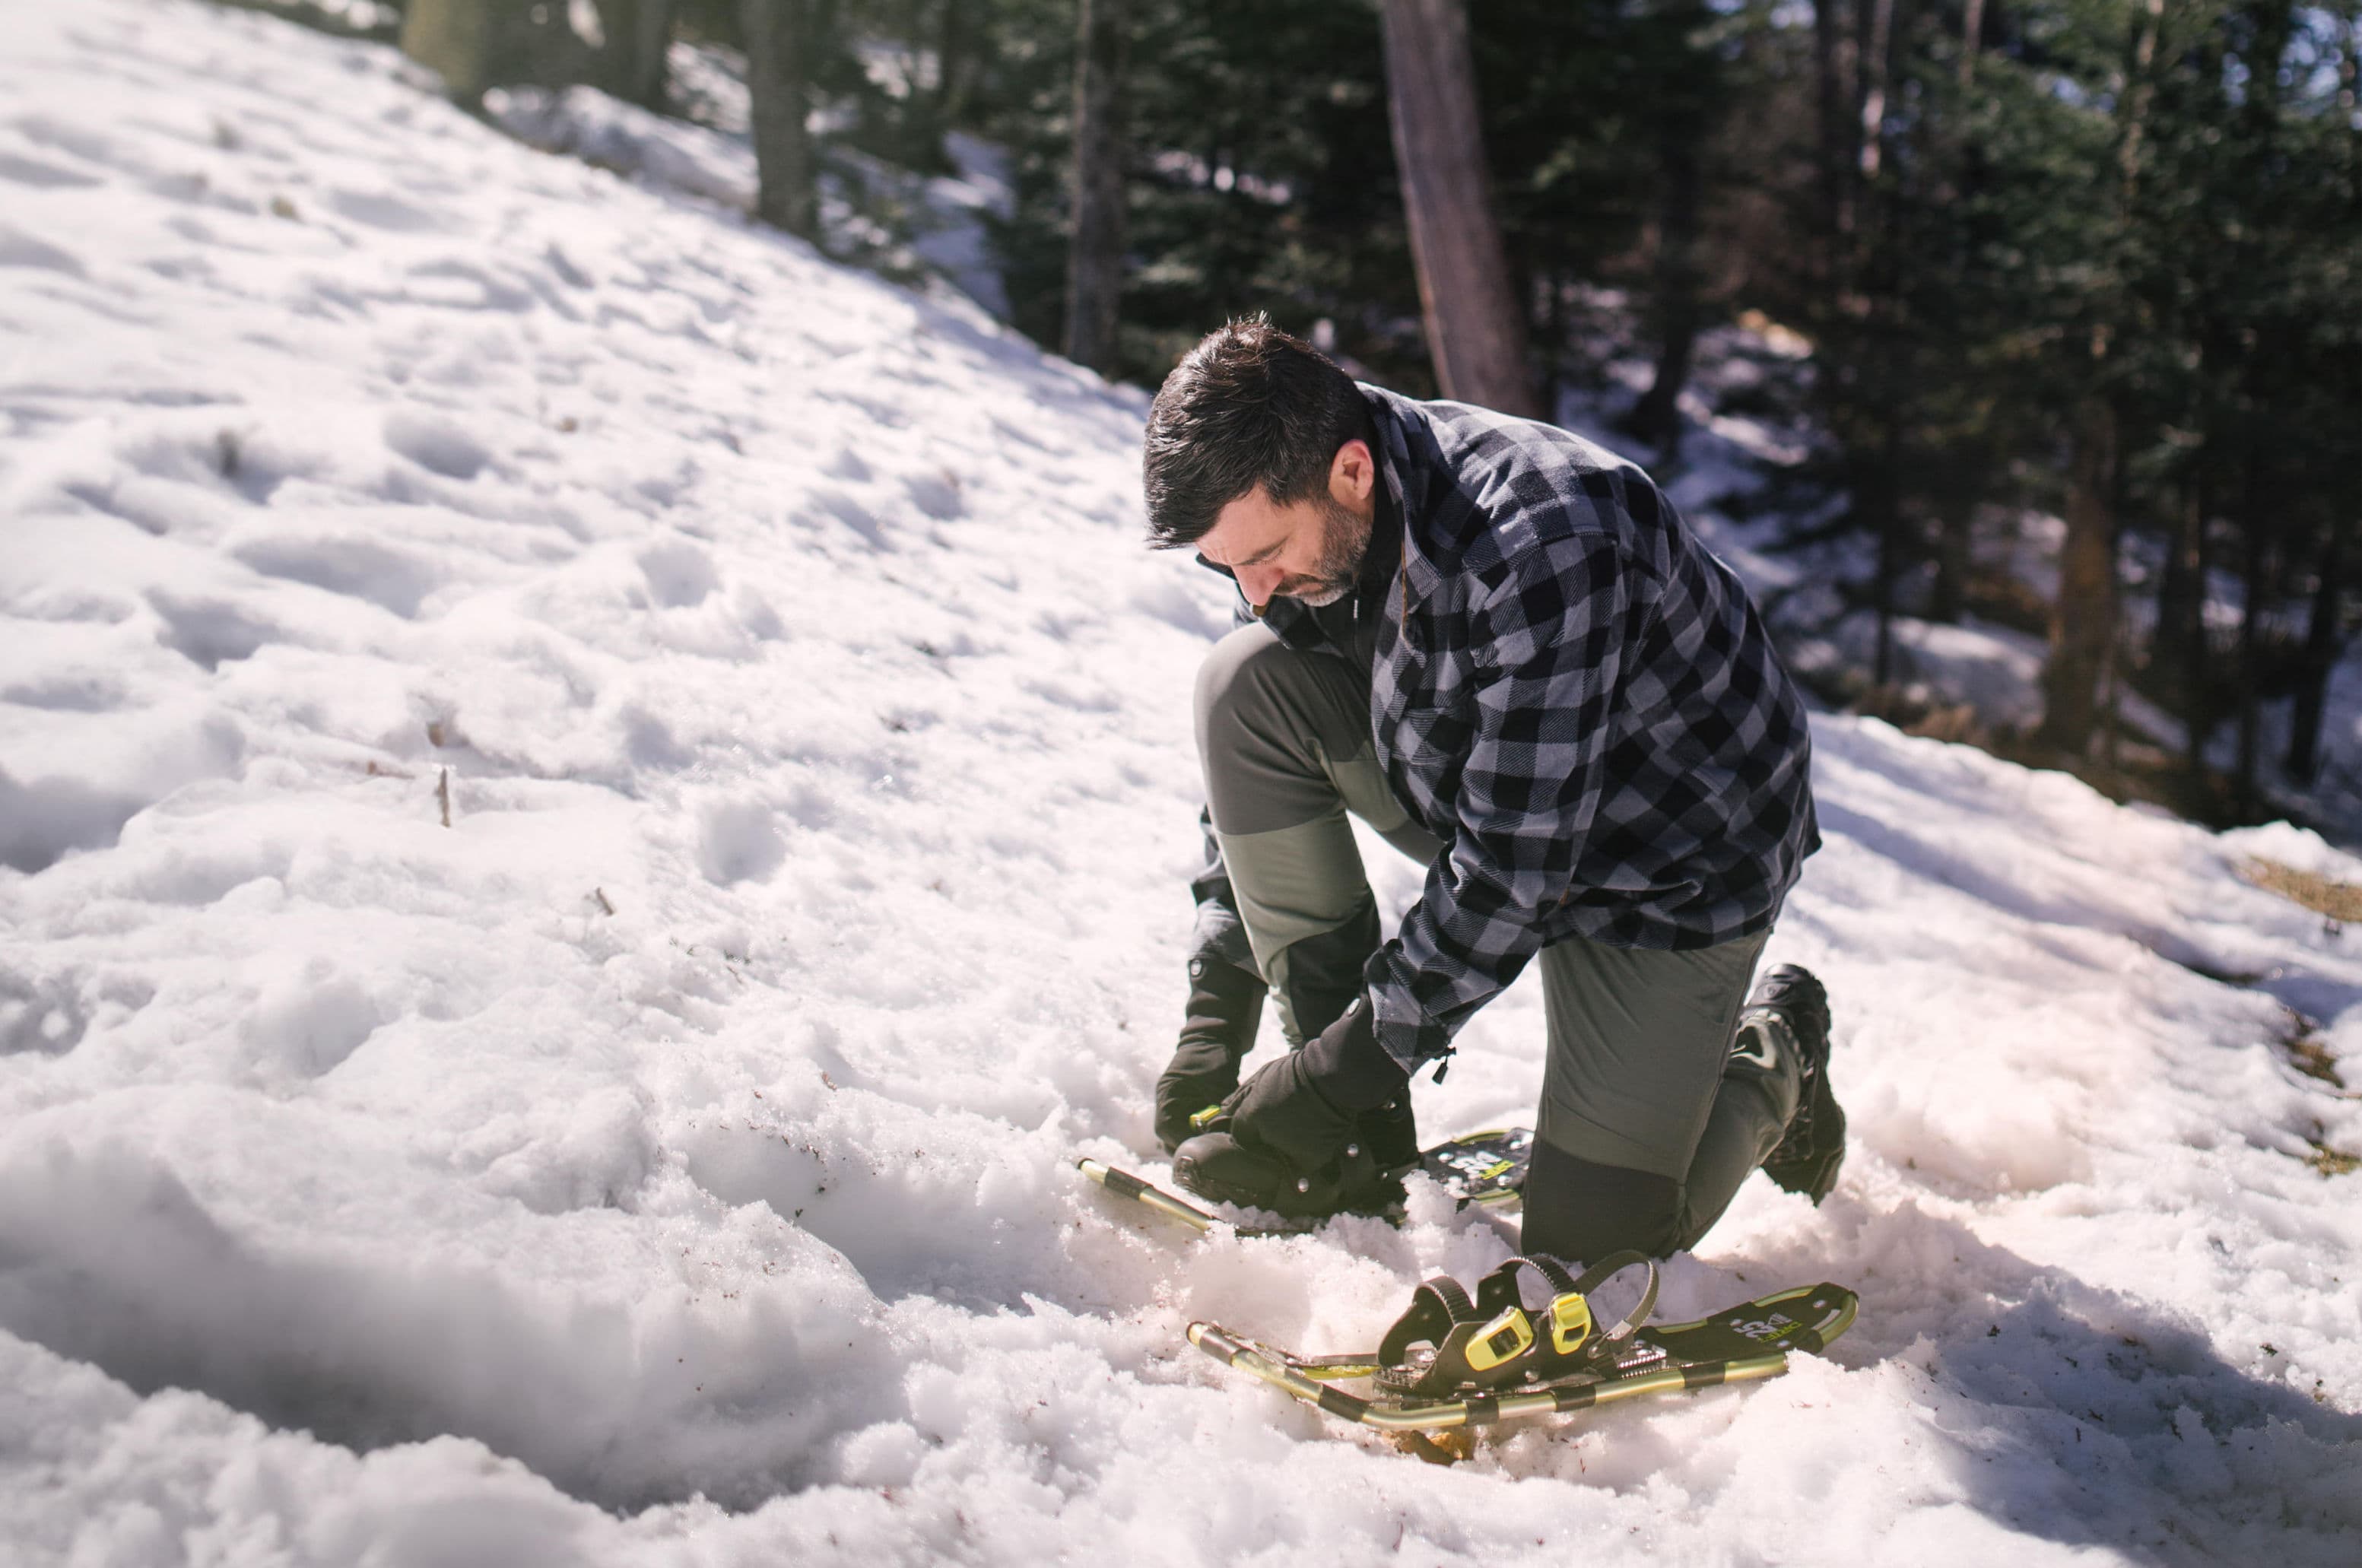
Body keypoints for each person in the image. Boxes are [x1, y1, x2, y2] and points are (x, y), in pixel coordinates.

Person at [1139, 315, 1840, 1265]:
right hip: (1481, 778)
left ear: (1351, 472)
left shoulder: (1546, 538)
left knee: (1595, 1257)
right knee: (1244, 681)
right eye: (1227, 565)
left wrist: (1336, 1077)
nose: (1254, 589)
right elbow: (1257, 771)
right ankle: (1353, 1141)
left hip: (1672, 861)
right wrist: (1215, 1018)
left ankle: (1773, 1053)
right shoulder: (1297, 509)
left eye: (1264, 556)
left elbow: (1511, 876)